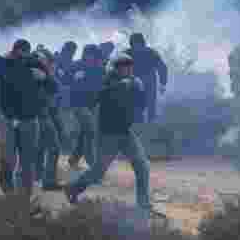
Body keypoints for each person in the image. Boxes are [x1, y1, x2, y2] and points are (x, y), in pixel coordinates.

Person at [66, 55, 155, 212]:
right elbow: (97, 98)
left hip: (125, 131)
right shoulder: (107, 82)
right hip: (108, 134)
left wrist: (139, 89)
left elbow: (141, 104)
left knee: (142, 166)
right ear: (116, 69)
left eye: (130, 67)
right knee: (98, 171)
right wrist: (120, 86)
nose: (128, 70)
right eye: (124, 67)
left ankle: (143, 204)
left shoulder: (132, 82)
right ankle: (73, 189)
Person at [0, 39, 53, 194]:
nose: (21, 56)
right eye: (18, 52)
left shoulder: (35, 64)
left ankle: (25, 195)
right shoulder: (2, 62)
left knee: (28, 160)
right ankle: (7, 190)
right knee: (8, 158)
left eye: (25, 53)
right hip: (8, 118)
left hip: (29, 119)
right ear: (13, 51)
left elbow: (53, 87)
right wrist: (1, 60)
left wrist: (44, 77)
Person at [65, 45, 104, 170]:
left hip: (91, 105)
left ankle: (74, 159)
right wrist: (74, 77)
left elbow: (103, 85)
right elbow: (64, 79)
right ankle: (92, 163)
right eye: (90, 55)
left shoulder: (99, 68)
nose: (92, 58)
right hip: (78, 105)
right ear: (86, 55)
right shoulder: (76, 66)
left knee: (84, 134)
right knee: (90, 130)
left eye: (94, 55)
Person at [33, 49, 63, 190]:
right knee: (53, 148)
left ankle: (39, 178)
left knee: (40, 149)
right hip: (40, 116)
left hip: (41, 116)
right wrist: (48, 73)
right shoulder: (38, 73)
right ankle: (47, 181)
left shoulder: (37, 72)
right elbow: (53, 88)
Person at [125, 33, 168, 123]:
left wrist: (163, 83)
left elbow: (162, 67)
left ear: (143, 43)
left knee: (150, 105)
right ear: (131, 44)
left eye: (139, 44)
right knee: (136, 105)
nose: (137, 46)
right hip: (134, 82)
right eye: (135, 44)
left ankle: (150, 122)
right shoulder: (126, 54)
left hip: (149, 81)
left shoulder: (151, 53)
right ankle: (138, 122)